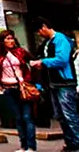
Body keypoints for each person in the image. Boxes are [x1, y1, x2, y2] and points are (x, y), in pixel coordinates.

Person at [30, 18, 79, 152]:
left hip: (64, 82)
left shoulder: (60, 39)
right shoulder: (49, 42)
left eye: (39, 30)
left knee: (69, 115)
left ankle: (76, 143)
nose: (40, 34)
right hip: (54, 83)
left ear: (44, 27)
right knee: (61, 116)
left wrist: (43, 62)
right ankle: (71, 143)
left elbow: (62, 59)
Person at [0, 29, 37, 152]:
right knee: (18, 118)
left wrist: (30, 79)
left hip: (22, 87)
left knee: (27, 117)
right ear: (2, 41)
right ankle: (23, 145)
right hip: (8, 88)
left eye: (12, 38)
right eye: (7, 39)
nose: (10, 41)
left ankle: (31, 146)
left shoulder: (21, 52)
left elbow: (34, 62)